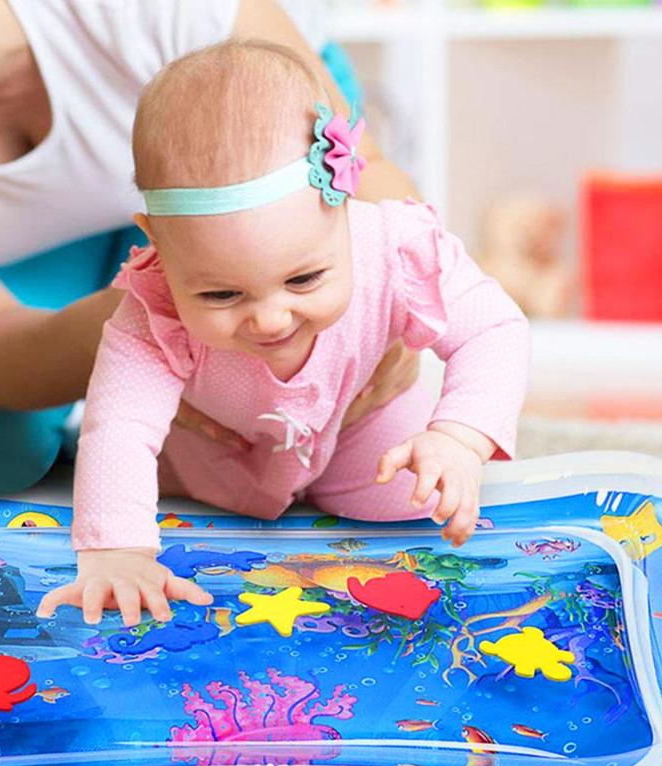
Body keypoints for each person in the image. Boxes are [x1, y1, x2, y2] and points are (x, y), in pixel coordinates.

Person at [36, 41, 531, 627]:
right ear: (159, 245)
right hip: (215, 457)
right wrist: (118, 549)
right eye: (221, 295)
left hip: (364, 428)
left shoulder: (396, 248)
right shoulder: (155, 308)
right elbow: (120, 424)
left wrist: (458, 437)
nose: (271, 319)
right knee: (161, 504)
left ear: (345, 206)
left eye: (304, 279)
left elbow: (493, 329)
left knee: (423, 509)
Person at [0, 0, 418, 495]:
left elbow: (368, 171)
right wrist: (137, 347)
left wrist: (389, 305)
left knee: (334, 430)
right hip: (22, 251)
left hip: (232, 187)